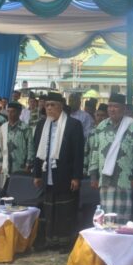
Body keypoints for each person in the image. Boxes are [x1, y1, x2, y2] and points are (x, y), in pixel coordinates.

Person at [33, 92, 84, 252]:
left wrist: (76, 176)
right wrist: (36, 174)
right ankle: (50, 240)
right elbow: (37, 150)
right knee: (49, 208)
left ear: (61, 106)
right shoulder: (42, 125)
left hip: (65, 174)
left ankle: (65, 242)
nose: (49, 108)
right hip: (46, 173)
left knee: (65, 209)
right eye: (47, 105)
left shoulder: (73, 124)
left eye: (52, 105)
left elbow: (78, 153)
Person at [89, 94, 133, 223]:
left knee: (124, 221)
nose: (112, 109)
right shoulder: (101, 127)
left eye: (115, 106)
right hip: (105, 180)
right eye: (110, 106)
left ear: (124, 108)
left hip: (125, 180)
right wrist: (93, 176)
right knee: (106, 218)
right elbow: (94, 152)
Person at [0, 102, 34, 186]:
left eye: (13, 111)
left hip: (21, 166)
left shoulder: (26, 128)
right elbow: (0, 147)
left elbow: (30, 147)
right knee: (7, 188)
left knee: (20, 189)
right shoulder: (3, 128)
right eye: (8, 111)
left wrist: (28, 165)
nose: (10, 114)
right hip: (7, 165)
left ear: (19, 112)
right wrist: (0, 163)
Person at [83, 103, 108, 176]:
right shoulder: (91, 133)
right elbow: (86, 152)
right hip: (92, 171)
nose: (100, 118)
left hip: (106, 171)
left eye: (103, 115)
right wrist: (84, 169)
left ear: (108, 117)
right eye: (98, 115)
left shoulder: (112, 133)